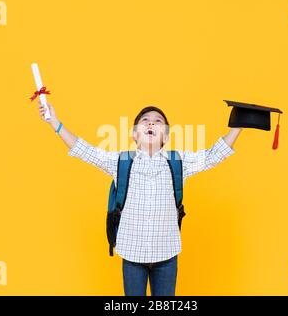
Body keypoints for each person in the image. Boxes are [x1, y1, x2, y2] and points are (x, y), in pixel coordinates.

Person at [36, 101, 242, 296]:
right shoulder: (120, 161)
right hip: (132, 256)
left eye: (158, 121)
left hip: (167, 255)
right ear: (134, 134)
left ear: (166, 137)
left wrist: (238, 125)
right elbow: (84, 150)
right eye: (145, 120)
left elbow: (213, 155)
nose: (151, 122)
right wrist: (54, 122)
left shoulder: (179, 162)